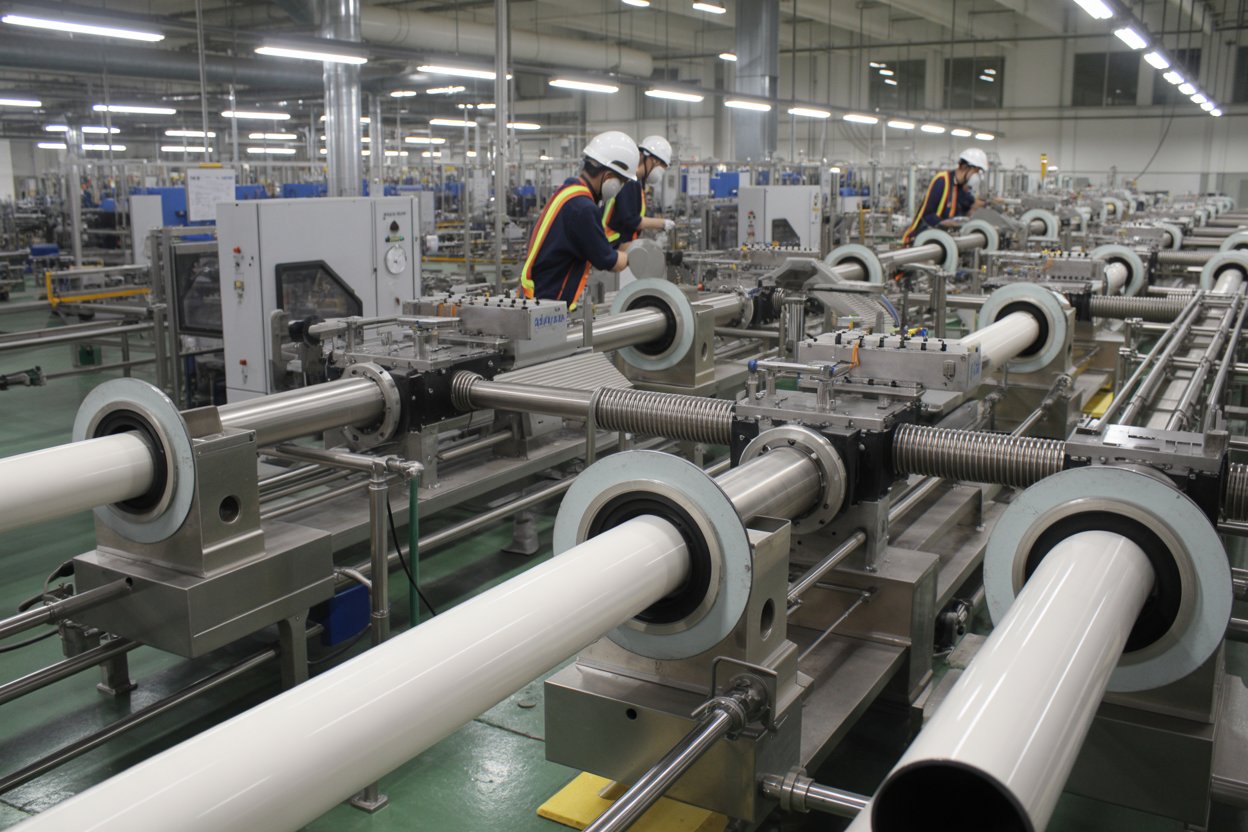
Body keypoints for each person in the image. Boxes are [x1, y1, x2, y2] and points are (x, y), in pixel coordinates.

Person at [519, 131, 637, 311]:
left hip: (538, 297)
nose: (619, 188)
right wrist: (636, 257)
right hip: (547, 305)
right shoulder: (583, 208)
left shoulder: (568, 191)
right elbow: (608, 260)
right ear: (608, 177)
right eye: (621, 182)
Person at [900, 147, 988, 245]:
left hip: (940, 241)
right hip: (919, 240)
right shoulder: (942, 181)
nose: (976, 177)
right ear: (966, 167)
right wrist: (945, 223)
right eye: (976, 172)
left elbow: (970, 205)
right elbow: (927, 215)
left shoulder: (960, 187)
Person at [602, 134, 677, 248]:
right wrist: (662, 223)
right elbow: (632, 221)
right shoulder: (629, 182)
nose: (661, 172)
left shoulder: (636, 182)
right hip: (612, 242)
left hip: (614, 242)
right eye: (662, 167)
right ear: (654, 161)